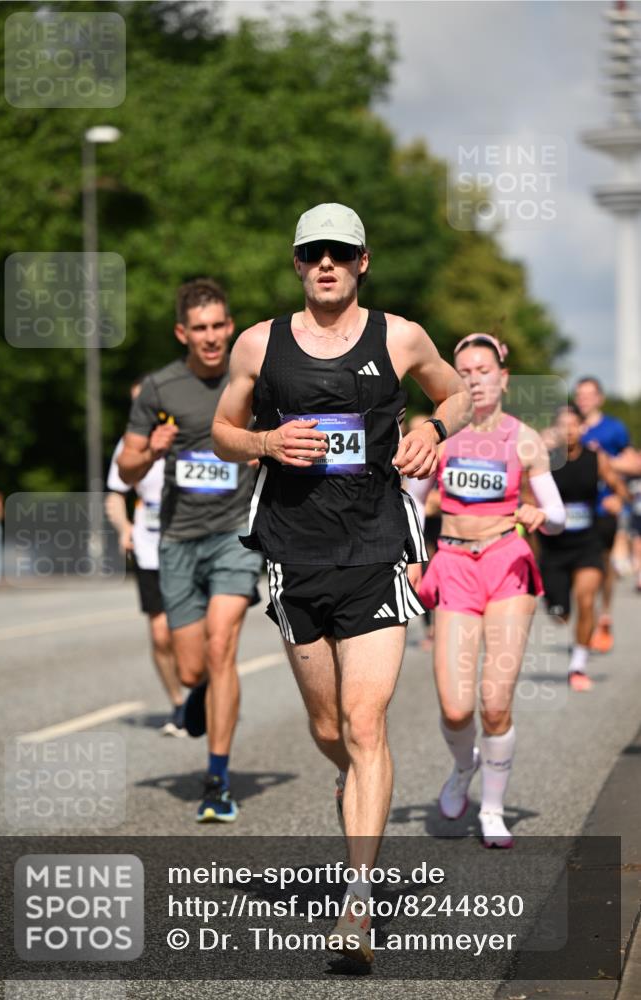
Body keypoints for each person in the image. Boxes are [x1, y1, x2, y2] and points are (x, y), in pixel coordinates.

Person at [212, 202, 472, 964]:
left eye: (340, 252)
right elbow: (223, 431)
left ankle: (356, 910)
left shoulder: (399, 336)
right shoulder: (260, 344)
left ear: (362, 262)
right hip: (294, 556)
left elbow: (455, 393)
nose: (326, 263)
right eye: (312, 252)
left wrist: (429, 429)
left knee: (364, 726)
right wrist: (262, 439)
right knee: (329, 732)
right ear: (297, 263)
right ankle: (358, 783)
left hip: (375, 549)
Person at [117, 278, 263, 823]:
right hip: (177, 539)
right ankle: (199, 695)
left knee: (222, 644)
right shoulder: (160, 389)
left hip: (234, 534)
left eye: (218, 326)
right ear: (184, 332)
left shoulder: (250, 379)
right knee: (191, 664)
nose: (210, 337)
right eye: (198, 328)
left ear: (229, 326)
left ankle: (217, 779)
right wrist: (150, 453)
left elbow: (276, 434)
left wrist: (261, 448)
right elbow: (125, 469)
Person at [413, 333, 565, 849]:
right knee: (456, 709)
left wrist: (540, 515)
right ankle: (463, 767)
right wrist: (414, 558)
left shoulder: (524, 439)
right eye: (464, 372)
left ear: (503, 377)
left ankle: (494, 809)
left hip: (507, 566)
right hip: (453, 564)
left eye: (483, 369)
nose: (474, 379)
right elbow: (410, 504)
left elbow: (560, 515)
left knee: (494, 701)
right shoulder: (435, 435)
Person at [106, 375, 184, 734]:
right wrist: (124, 529)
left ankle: (202, 692)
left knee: (193, 632)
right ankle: (179, 703)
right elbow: (114, 494)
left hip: (189, 540)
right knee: (159, 633)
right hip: (150, 545)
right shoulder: (129, 445)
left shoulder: (186, 434)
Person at [538, 405, 629, 691]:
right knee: (559, 613)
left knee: (587, 600)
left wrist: (618, 500)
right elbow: (527, 495)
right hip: (553, 547)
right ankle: (559, 606)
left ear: (582, 428)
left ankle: (578, 665)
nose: (569, 431)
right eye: (563, 425)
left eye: (574, 424)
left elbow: (619, 488)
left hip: (587, 542)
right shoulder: (545, 460)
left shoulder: (596, 458)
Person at [574, 377, 635, 652]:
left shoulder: (614, 428)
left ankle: (605, 613)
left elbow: (635, 463)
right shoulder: (567, 426)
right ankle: (586, 615)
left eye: (589, 395)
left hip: (603, 508)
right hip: (574, 511)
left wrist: (603, 463)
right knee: (580, 570)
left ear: (599, 398)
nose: (584, 399)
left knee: (603, 563)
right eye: (580, 395)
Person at [404, 414, 442, 651]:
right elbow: (407, 494)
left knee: (440, 573)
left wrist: (434, 502)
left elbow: (439, 499)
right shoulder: (402, 453)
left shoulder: (441, 453)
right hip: (420, 526)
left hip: (444, 527)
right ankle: (430, 626)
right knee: (425, 572)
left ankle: (444, 621)